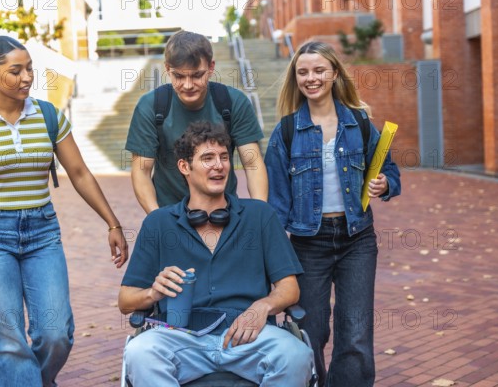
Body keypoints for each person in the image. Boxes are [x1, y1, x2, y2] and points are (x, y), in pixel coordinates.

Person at [0, 35, 129, 387]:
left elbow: (79, 173)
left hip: (42, 232)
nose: (27, 78)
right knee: (7, 338)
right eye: (15, 71)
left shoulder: (48, 116)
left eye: (30, 69)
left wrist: (112, 222)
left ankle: (32, 380)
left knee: (56, 333)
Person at [119, 122, 313, 386]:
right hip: (181, 337)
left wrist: (263, 306)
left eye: (223, 157)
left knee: (296, 355)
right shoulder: (158, 223)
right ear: (185, 167)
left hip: (248, 337)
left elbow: (289, 288)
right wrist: (153, 293)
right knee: (140, 352)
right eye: (207, 158)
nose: (219, 165)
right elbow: (126, 300)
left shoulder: (260, 216)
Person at [264, 41, 401, 386]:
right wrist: (270, 256)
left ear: (334, 73)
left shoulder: (359, 123)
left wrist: (385, 183)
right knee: (309, 330)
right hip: (308, 243)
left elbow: (391, 171)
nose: (311, 78)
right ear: (296, 78)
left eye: (319, 70)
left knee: (355, 332)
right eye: (303, 72)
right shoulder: (286, 132)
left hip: (358, 240)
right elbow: (276, 204)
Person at [125, 30, 268, 214]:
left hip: (225, 215)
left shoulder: (233, 102)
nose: (188, 85)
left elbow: (252, 163)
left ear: (211, 68)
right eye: (179, 76)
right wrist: (158, 219)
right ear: (167, 69)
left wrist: (260, 216)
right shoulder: (150, 106)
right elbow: (142, 171)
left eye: (196, 75)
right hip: (170, 215)